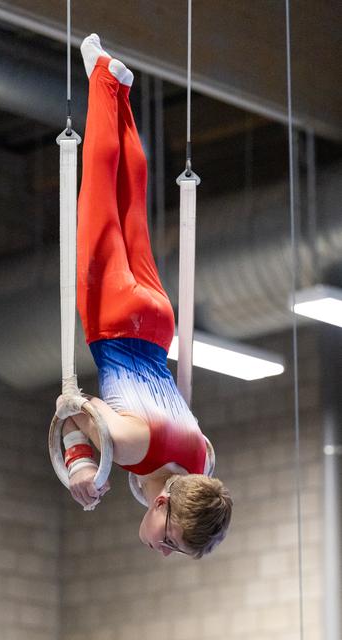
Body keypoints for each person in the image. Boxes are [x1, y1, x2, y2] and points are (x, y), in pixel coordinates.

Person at [60, 34, 232, 559]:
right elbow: (70, 409)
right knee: (98, 196)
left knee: (133, 210)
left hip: (158, 327)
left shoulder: (200, 462)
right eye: (173, 543)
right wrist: (80, 468)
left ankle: (122, 93)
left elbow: (201, 474)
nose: (164, 551)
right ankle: (101, 79)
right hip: (111, 321)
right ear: (160, 506)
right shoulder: (134, 447)